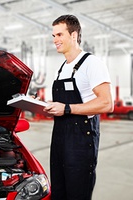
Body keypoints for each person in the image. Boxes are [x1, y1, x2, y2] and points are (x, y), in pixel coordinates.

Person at [44, 15, 114, 200]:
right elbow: (63, 104)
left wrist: (66, 109)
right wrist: (47, 106)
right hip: (59, 138)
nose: (55, 40)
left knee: (77, 193)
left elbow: (107, 103)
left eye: (59, 34)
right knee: (58, 192)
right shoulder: (62, 68)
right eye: (53, 36)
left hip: (81, 141)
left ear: (73, 35)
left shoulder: (92, 63)